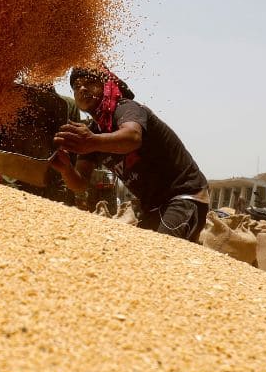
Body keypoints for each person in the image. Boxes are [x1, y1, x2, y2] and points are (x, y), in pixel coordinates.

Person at [51, 66, 209, 241]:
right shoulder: (94, 131)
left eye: (89, 83)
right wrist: (65, 168)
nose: (82, 89)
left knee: (161, 251)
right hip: (153, 206)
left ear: (106, 86)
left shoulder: (126, 108)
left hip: (184, 196)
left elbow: (133, 137)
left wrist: (91, 141)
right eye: (76, 87)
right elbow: (80, 183)